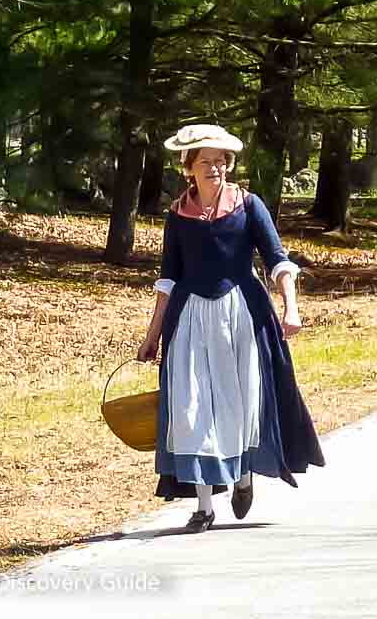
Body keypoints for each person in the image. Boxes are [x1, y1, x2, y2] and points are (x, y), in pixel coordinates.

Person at [137, 123, 325, 533]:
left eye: (222, 162)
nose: (216, 168)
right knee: (191, 409)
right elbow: (168, 278)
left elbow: (277, 259)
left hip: (241, 315)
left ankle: (242, 476)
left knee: (240, 402)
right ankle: (204, 506)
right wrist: (152, 336)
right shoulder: (178, 215)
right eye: (206, 162)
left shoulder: (248, 205)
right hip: (188, 320)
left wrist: (291, 307)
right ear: (188, 167)